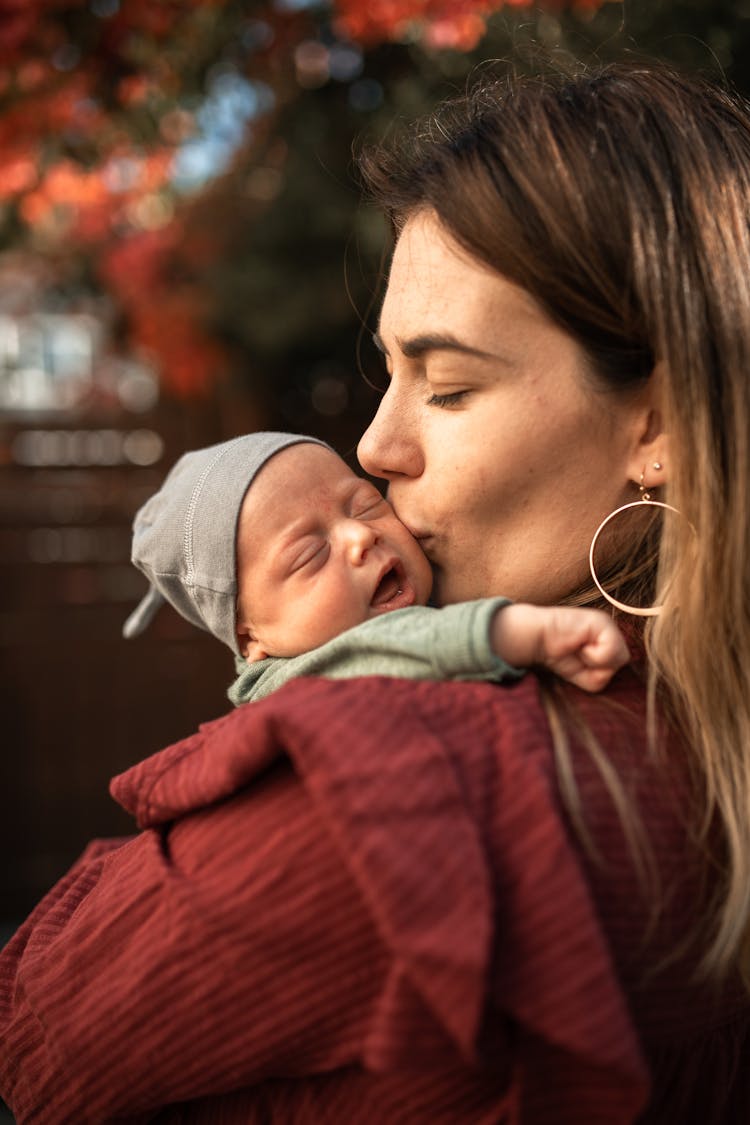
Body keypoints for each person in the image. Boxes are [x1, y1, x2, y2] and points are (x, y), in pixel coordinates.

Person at [2, 59, 750, 1124]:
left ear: (660, 426)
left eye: (447, 388)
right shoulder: (698, 741)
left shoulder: (415, 794)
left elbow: (41, 1042)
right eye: (390, 372)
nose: (374, 443)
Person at [121, 430, 629, 700]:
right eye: (309, 554)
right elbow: (392, 647)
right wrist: (520, 633)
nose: (360, 535)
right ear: (250, 637)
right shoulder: (287, 687)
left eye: (364, 506)